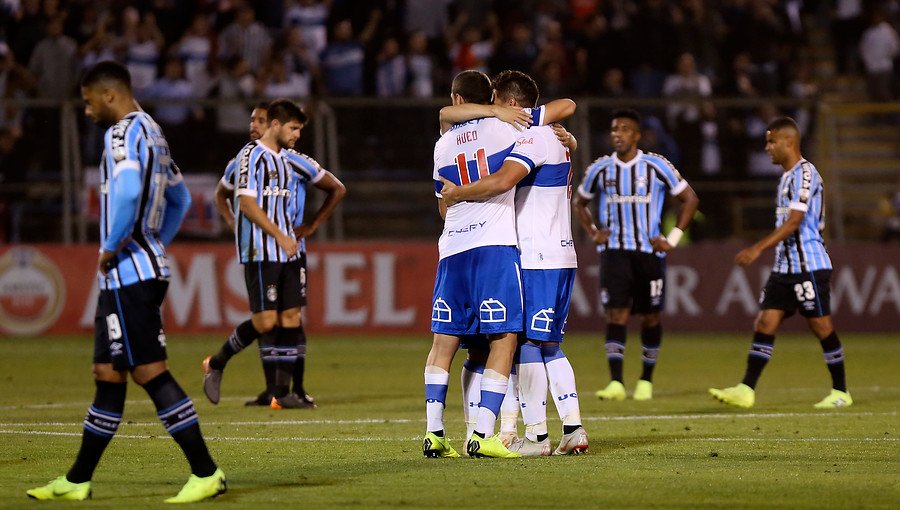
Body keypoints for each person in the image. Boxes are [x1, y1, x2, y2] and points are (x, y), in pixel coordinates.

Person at [26, 61, 225, 503]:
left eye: (88, 100)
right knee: (108, 374)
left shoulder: (120, 134)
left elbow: (131, 190)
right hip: (139, 269)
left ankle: (206, 472)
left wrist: (113, 245)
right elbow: (180, 198)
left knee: (149, 372)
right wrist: (153, 243)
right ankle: (77, 480)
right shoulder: (153, 131)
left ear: (109, 95)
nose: (86, 109)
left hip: (129, 274)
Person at [439, 70, 588, 457]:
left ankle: (535, 436)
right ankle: (566, 429)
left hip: (535, 253)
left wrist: (458, 193)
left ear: (510, 105)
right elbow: (567, 107)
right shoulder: (551, 135)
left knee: (525, 344)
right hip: (556, 251)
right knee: (544, 343)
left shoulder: (532, 134)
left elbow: (504, 181)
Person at [423, 70, 536, 460]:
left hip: (452, 248)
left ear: (457, 99)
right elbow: (561, 109)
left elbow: (442, 204)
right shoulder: (505, 130)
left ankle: (434, 433)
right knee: (504, 339)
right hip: (493, 246)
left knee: (444, 343)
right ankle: (484, 435)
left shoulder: (442, 145)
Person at [203, 99, 346, 409]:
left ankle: (282, 393)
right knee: (266, 322)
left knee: (290, 318)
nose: (297, 135)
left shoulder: (287, 160)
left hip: (290, 252)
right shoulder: (249, 158)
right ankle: (217, 362)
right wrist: (273, 233)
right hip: (262, 250)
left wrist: (304, 229)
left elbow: (331, 189)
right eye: (294, 128)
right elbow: (248, 203)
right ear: (277, 125)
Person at [710, 117, 851, 409]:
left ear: (789, 141)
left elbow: (795, 222)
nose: (767, 148)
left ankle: (841, 391)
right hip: (785, 267)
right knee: (765, 321)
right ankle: (746, 389)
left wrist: (757, 248)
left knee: (821, 325)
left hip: (809, 265)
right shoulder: (786, 177)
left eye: (772, 141)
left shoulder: (806, 173)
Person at [573, 108, 699, 402]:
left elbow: (689, 198)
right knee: (616, 314)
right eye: (615, 129)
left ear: (637, 135)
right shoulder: (600, 169)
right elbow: (579, 202)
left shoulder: (656, 166)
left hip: (648, 253)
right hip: (615, 252)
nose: (618, 134)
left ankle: (645, 380)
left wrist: (673, 239)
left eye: (625, 129)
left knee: (651, 316)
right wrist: (593, 232)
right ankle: (616, 381)